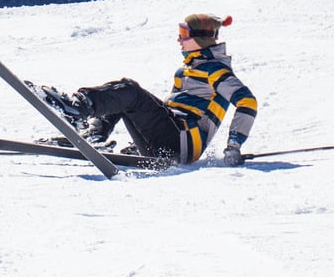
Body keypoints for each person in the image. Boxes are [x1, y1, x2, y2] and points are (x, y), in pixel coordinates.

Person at [41, 13, 257, 167]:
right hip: (170, 140)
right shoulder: (190, 69)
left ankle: (78, 108)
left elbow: (247, 101)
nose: (179, 39)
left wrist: (234, 144)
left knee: (130, 91)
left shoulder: (215, 70)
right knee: (122, 93)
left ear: (200, 39)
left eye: (184, 34)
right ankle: (95, 135)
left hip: (181, 142)